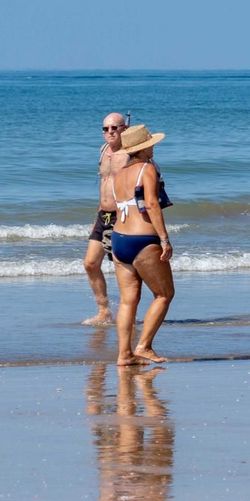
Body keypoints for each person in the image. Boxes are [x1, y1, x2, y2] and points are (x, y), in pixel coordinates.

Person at [108, 124, 175, 366]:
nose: (154, 146)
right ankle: (144, 346)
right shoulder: (146, 169)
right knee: (164, 294)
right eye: (151, 143)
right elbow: (152, 205)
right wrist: (164, 238)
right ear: (144, 147)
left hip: (119, 240)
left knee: (128, 301)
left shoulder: (119, 175)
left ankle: (124, 354)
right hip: (143, 240)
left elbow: (117, 207)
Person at [83, 112, 130, 325]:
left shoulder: (131, 154)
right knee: (91, 264)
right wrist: (97, 217)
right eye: (105, 129)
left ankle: (128, 311)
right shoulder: (103, 151)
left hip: (122, 216)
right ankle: (104, 311)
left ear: (124, 129)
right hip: (103, 215)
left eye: (114, 128)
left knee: (122, 267)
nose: (109, 132)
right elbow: (103, 187)